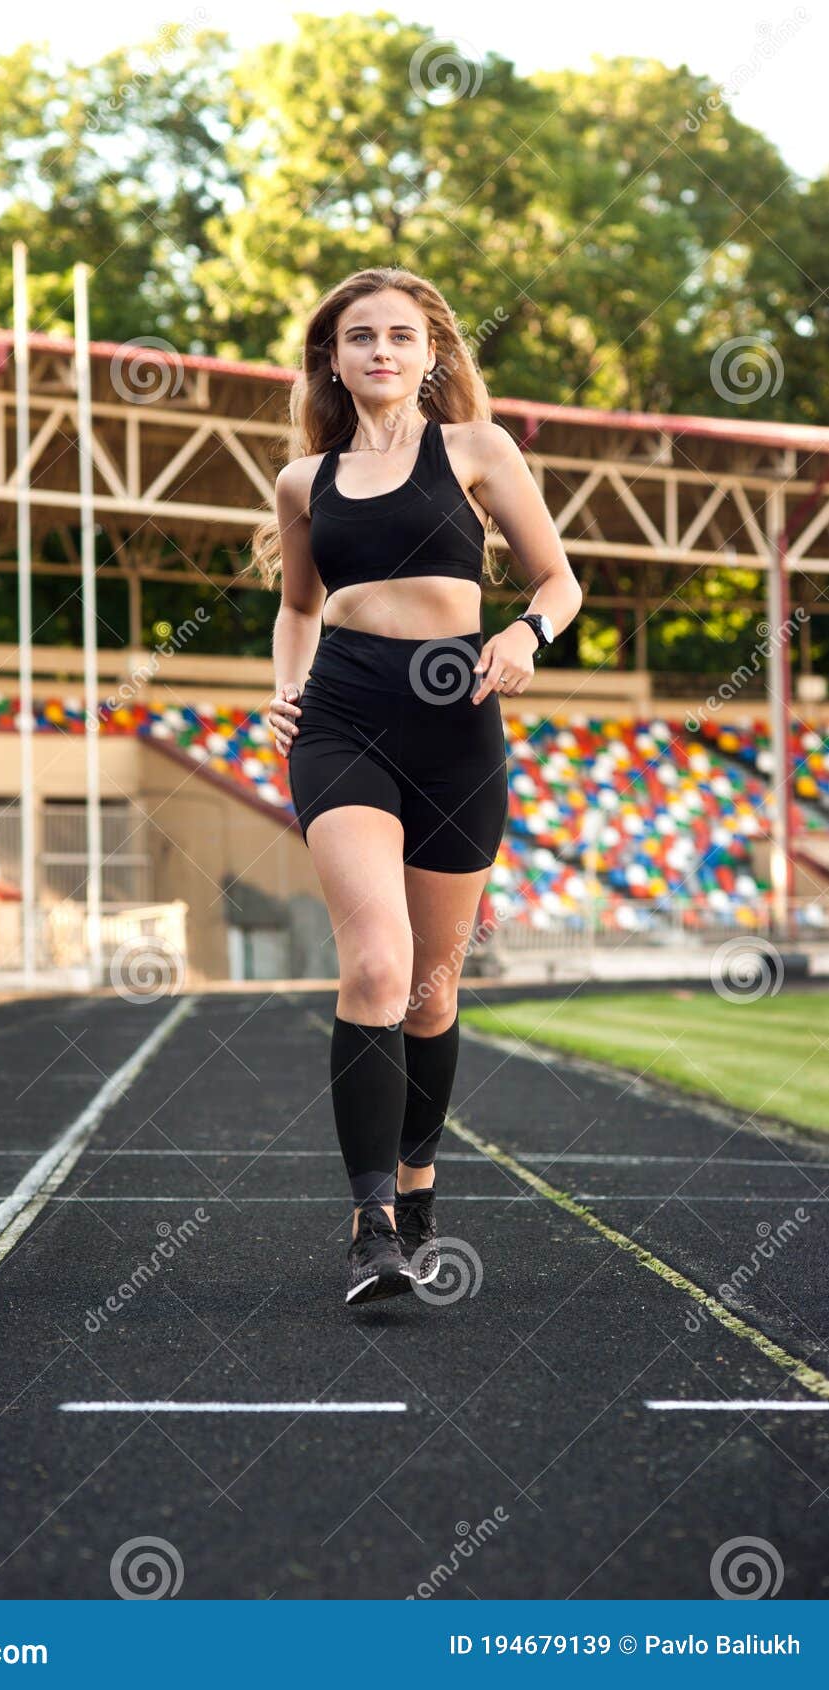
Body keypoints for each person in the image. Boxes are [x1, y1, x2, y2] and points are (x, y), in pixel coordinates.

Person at [247, 266, 582, 1306]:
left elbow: (558, 579)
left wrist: (528, 633)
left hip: (455, 720)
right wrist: (285, 694)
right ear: (334, 360)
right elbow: (299, 609)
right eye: (360, 337)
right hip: (342, 719)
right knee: (377, 969)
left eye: (400, 334)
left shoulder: (479, 451)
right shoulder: (305, 481)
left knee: (434, 989)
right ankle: (373, 1223)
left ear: (433, 354)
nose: (381, 350)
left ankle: (423, 1184)